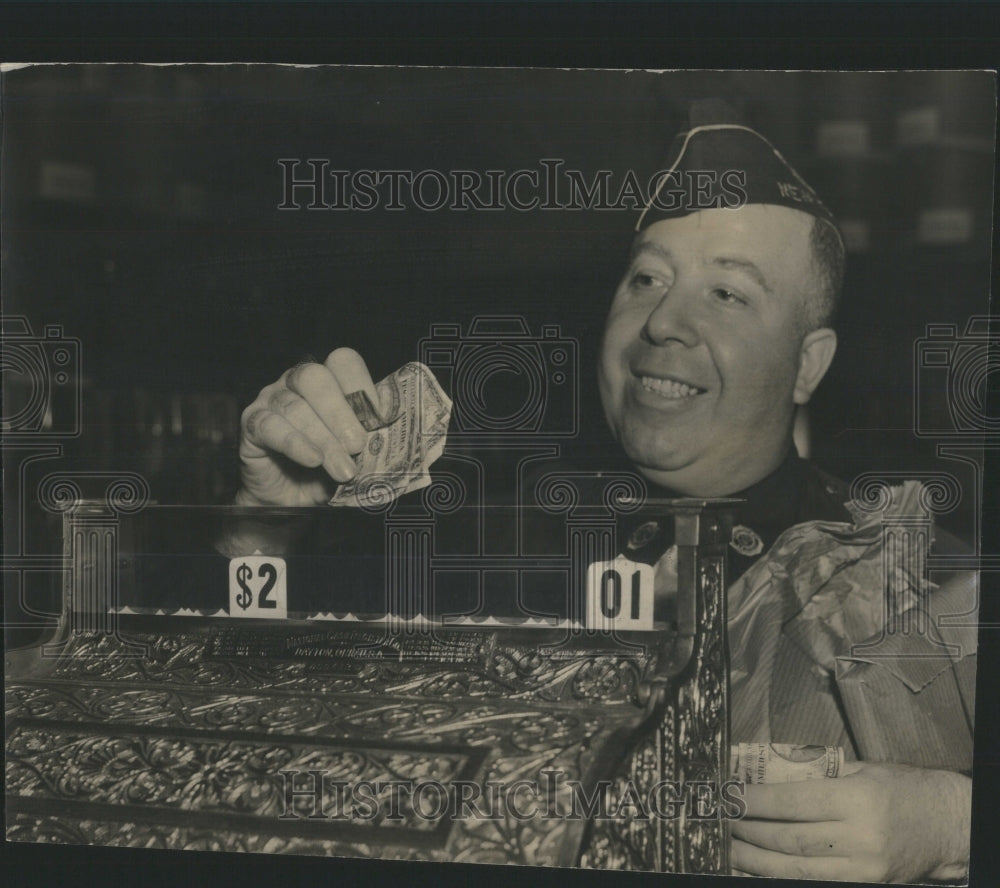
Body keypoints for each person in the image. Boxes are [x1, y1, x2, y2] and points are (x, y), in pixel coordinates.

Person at [235, 123, 974, 883]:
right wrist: (265, 525)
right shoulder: (476, 543)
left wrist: (954, 824)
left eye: (727, 292)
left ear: (807, 365)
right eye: (646, 279)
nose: (660, 322)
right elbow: (237, 758)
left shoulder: (921, 578)